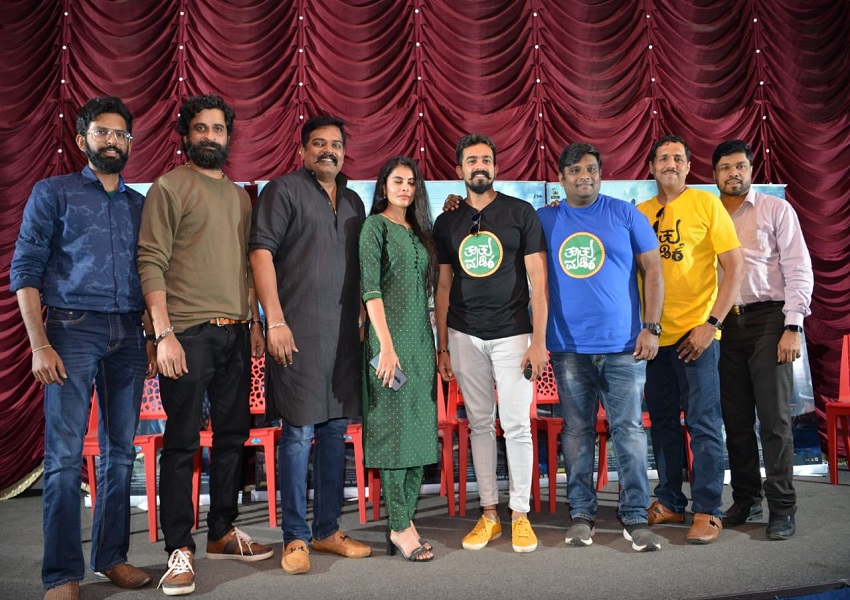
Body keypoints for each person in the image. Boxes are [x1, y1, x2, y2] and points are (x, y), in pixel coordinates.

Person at [10, 97, 154, 600]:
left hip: (129, 334)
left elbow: (151, 274)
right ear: (81, 140)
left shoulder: (140, 205)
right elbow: (25, 270)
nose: (112, 141)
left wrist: (151, 335)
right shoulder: (54, 193)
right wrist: (39, 343)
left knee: (120, 453)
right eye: (102, 132)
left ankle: (111, 558)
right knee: (65, 456)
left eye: (120, 134)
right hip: (70, 330)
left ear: (130, 143)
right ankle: (61, 574)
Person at [138, 94, 273, 596]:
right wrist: (163, 333)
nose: (210, 136)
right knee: (181, 443)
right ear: (186, 135)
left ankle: (221, 531)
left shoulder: (240, 197)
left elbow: (246, 266)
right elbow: (150, 260)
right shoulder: (168, 187)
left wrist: (255, 321)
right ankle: (179, 547)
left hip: (236, 331)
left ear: (228, 136)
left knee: (233, 436)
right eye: (201, 128)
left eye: (218, 128)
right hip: (186, 334)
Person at [249, 115, 372, 576]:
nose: (328, 151)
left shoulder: (355, 201)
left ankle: (326, 531)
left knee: (335, 432)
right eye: (318, 143)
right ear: (303, 150)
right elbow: (260, 253)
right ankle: (295, 537)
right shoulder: (282, 191)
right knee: (298, 434)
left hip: (343, 340)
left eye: (335, 144)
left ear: (344, 152)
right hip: (295, 333)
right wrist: (274, 321)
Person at [537, 143, 664, 552]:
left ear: (601, 174)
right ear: (561, 178)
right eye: (575, 170)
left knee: (629, 430)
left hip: (625, 346)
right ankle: (581, 514)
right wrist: (455, 207)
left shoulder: (626, 214)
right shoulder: (544, 219)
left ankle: (635, 515)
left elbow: (654, 271)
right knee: (576, 430)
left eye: (591, 168)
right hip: (568, 346)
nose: (584, 176)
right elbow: (502, 232)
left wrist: (651, 327)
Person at [433, 133, 548, 553]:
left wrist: (539, 341)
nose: (479, 166)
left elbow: (539, 281)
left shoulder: (520, 212)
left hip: (514, 334)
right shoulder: (447, 221)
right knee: (480, 425)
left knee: (517, 426)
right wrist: (443, 346)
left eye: (486, 159)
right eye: (471, 160)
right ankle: (489, 515)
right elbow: (442, 287)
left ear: (496, 168)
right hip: (464, 335)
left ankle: (520, 515)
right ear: (459, 169)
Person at [637, 135, 744, 544]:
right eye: (662, 158)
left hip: (696, 335)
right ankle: (669, 500)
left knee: (702, 423)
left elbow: (734, 268)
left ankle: (708, 509)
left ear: (687, 166)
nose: (670, 163)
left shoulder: (706, 204)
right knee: (663, 423)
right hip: (655, 339)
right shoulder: (640, 213)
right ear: (651, 167)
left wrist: (712, 324)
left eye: (677, 158)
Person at [712, 140, 813, 540]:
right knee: (735, 421)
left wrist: (793, 325)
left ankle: (782, 507)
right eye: (725, 168)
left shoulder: (775, 209)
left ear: (751, 170)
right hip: (722, 324)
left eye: (739, 166)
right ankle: (746, 499)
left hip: (770, 320)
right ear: (714, 174)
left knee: (774, 420)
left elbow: (798, 267)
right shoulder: (708, 214)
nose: (733, 173)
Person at [360, 156, 439, 562]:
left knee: (420, 434)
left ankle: (404, 520)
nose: (405, 188)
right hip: (388, 347)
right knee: (394, 435)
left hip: (421, 346)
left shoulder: (418, 232)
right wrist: (386, 347)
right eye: (397, 181)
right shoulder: (375, 227)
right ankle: (399, 525)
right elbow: (370, 290)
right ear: (383, 186)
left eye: (411, 182)